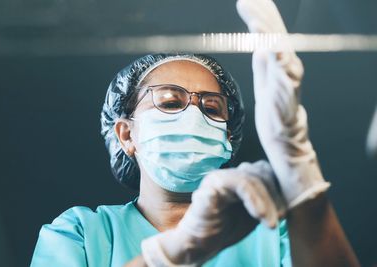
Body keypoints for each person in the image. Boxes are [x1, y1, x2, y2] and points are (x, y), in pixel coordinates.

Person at [30, 0, 360, 266]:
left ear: (228, 137)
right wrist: (170, 255)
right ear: (126, 135)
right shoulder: (82, 234)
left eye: (212, 108)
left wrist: (299, 170)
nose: (193, 113)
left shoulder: (273, 233)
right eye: (171, 102)